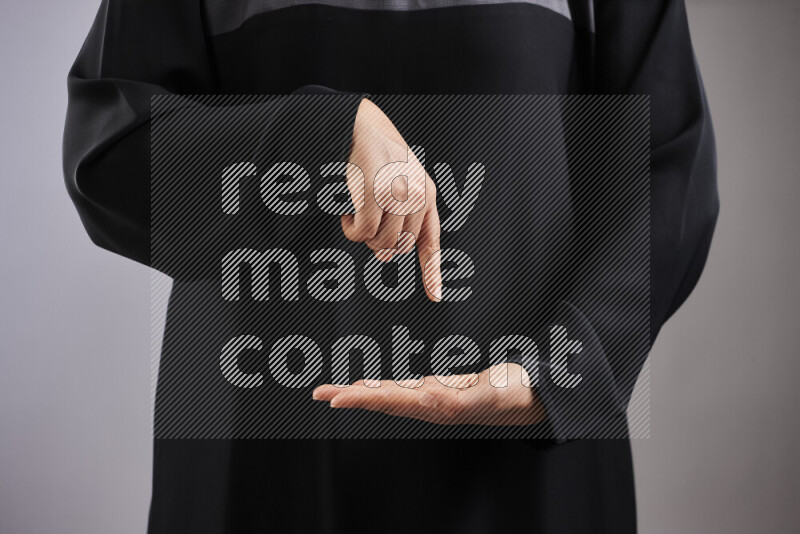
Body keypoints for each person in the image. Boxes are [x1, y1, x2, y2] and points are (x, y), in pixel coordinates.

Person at [63, 1, 719, 532]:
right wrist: (320, 133)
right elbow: (110, 147)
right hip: (258, 467)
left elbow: (667, 162)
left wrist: (561, 374)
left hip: (525, 469)